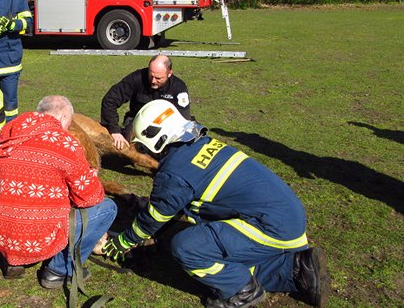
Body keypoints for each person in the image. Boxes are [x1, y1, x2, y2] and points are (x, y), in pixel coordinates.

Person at [103, 99, 330, 308]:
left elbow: (155, 216)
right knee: (218, 248)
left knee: (188, 247)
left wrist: (123, 241)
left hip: (270, 226)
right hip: (287, 216)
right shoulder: (200, 144)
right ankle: (298, 270)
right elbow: (177, 205)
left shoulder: (175, 173)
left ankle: (241, 290)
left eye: (142, 147)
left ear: (155, 141)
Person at [0, 95, 117, 288]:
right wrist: (91, 178)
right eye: (69, 123)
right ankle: (59, 270)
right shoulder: (64, 143)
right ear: (63, 117)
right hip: (34, 240)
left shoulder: (9, 136)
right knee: (108, 207)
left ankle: (12, 261)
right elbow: (88, 198)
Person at [101, 54, 191, 150]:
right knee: (130, 149)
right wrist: (115, 131)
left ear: (169, 73)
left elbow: (183, 117)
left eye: (158, 78)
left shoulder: (178, 87)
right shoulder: (136, 78)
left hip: (167, 124)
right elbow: (110, 100)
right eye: (150, 75)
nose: (153, 81)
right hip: (137, 122)